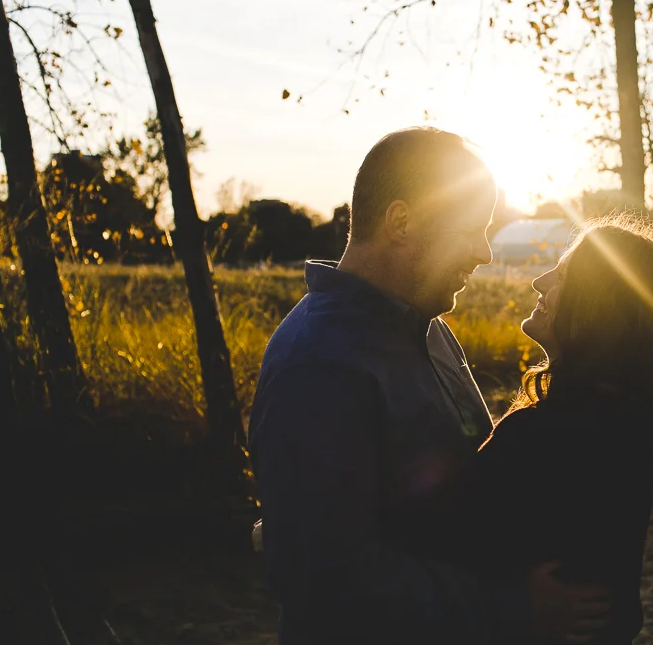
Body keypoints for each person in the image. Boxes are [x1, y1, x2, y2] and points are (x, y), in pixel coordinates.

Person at [247, 127, 608, 645]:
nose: (485, 252)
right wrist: (514, 609)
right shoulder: (318, 363)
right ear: (401, 222)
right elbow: (324, 580)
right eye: (472, 229)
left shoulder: (428, 327)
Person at [422, 214, 653, 644]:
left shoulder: (541, 436)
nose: (539, 283)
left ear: (599, 306)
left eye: (562, 276)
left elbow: (438, 547)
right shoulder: (627, 428)